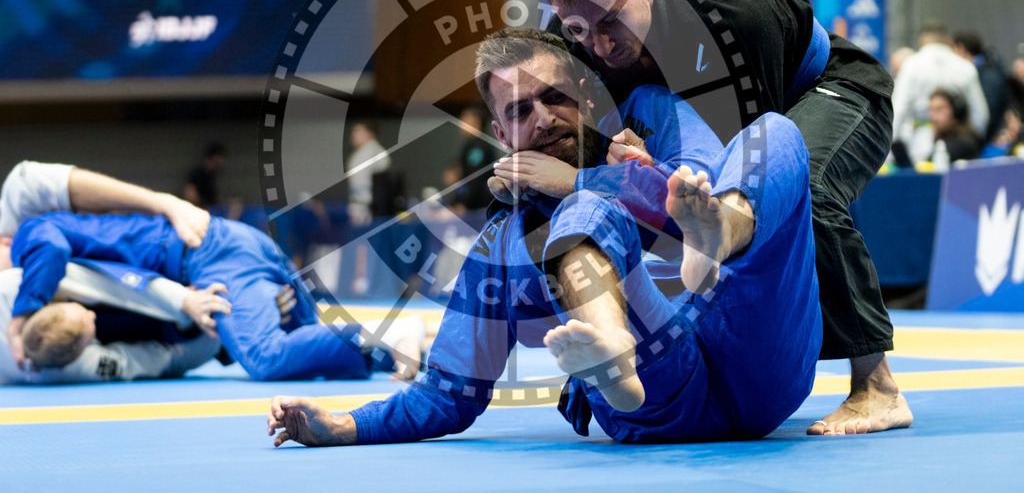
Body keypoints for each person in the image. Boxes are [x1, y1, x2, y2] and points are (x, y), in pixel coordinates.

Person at [266, 28, 822, 447]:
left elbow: (700, 176)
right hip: (656, 395)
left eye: (554, 98)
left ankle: (717, 235)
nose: (543, 118)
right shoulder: (501, 240)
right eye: (519, 111)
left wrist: (591, 177)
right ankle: (612, 353)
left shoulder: (651, 115)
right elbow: (448, 391)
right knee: (581, 211)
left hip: (753, 339)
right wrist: (342, 426)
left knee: (776, 133)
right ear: (501, 133)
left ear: (584, 93)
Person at [536, 0, 910, 435]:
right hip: (717, 121)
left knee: (800, 189)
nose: (599, 45)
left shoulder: (730, 12)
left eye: (611, 21)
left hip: (831, 90)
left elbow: (758, 152)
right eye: (580, 29)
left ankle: (878, 386)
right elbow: (576, 150)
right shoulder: (573, 38)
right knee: (601, 196)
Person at [7, 211, 425, 382]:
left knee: (265, 358)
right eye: (88, 334)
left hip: (213, 257)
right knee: (310, 355)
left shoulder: (33, 237)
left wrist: (20, 317)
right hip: (226, 256)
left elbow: (53, 249)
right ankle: (398, 350)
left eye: (84, 318)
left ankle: (394, 333)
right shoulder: (95, 306)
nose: (93, 324)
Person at [0, 160, 222, 383]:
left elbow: (110, 281)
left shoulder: (25, 228)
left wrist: (166, 205)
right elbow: (144, 361)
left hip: (173, 254)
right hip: (181, 318)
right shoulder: (70, 365)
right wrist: (198, 340)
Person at [891, 22, 989, 164]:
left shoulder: (912, 65)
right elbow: (980, 114)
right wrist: (973, 141)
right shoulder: (965, 67)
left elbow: (899, 109)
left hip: (920, 141)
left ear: (922, 40)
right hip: (961, 142)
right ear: (947, 40)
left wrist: (893, 146)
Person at [952, 31, 1010, 143]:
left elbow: (990, 111)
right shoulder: (982, 70)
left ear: (961, 48)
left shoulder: (988, 76)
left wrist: (978, 142)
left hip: (988, 141)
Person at [346, 122, 391, 226]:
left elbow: (384, 164)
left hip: (371, 206)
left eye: (358, 131)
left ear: (370, 134)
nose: (353, 135)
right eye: (353, 131)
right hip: (357, 203)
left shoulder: (374, 150)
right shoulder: (357, 153)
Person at [928, 88, 984, 163]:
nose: (934, 118)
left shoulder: (964, 143)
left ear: (955, 111)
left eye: (939, 109)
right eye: (931, 110)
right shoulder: (941, 138)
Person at [183, 142, 228, 209]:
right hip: (200, 210)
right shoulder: (198, 174)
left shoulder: (212, 175)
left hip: (211, 210)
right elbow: (190, 194)